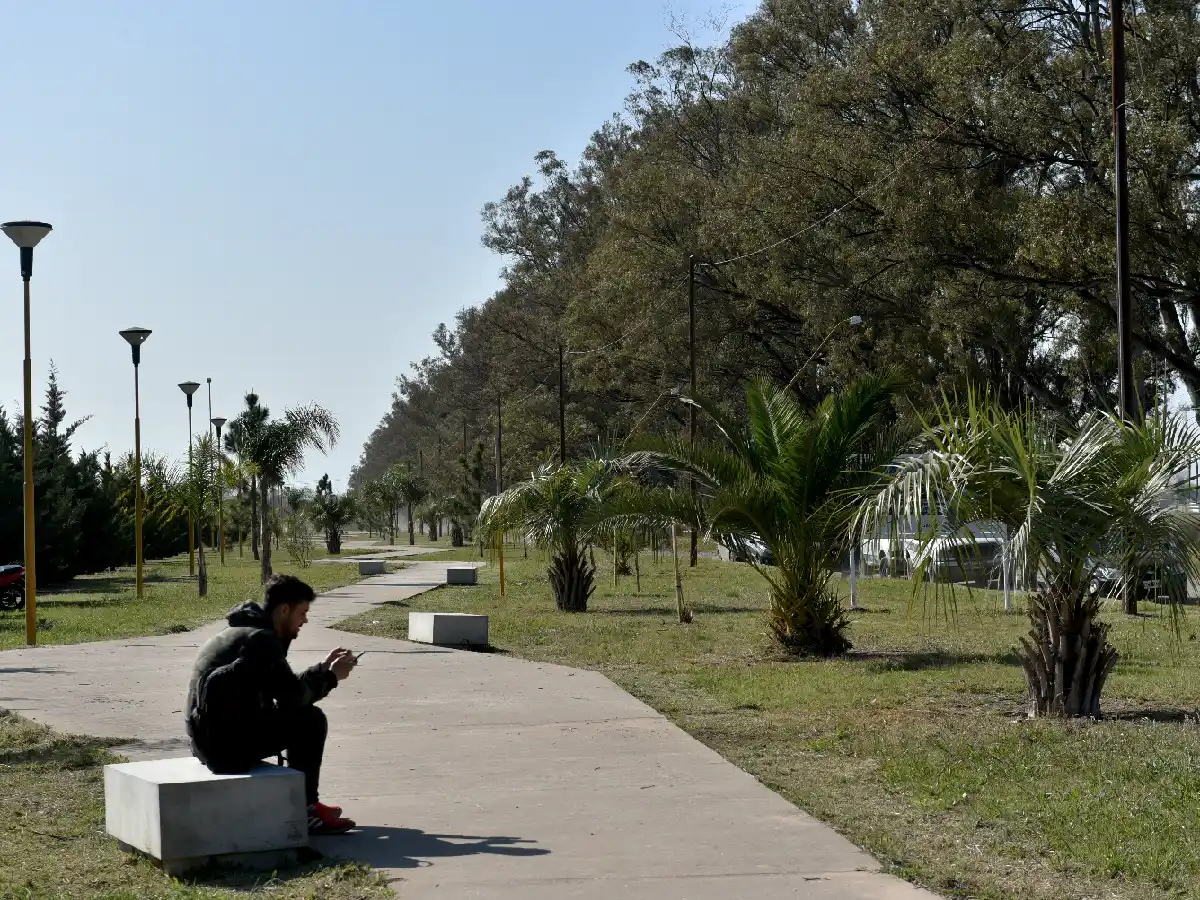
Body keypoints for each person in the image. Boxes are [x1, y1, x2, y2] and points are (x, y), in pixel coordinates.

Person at [185, 573, 358, 835]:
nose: (305, 620)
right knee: (311, 720)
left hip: (208, 740)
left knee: (302, 715)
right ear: (284, 609)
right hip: (226, 747)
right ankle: (306, 808)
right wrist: (332, 677)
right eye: (302, 612)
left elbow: (283, 687)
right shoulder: (262, 640)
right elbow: (292, 699)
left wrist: (320, 669)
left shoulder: (242, 630)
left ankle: (307, 804)